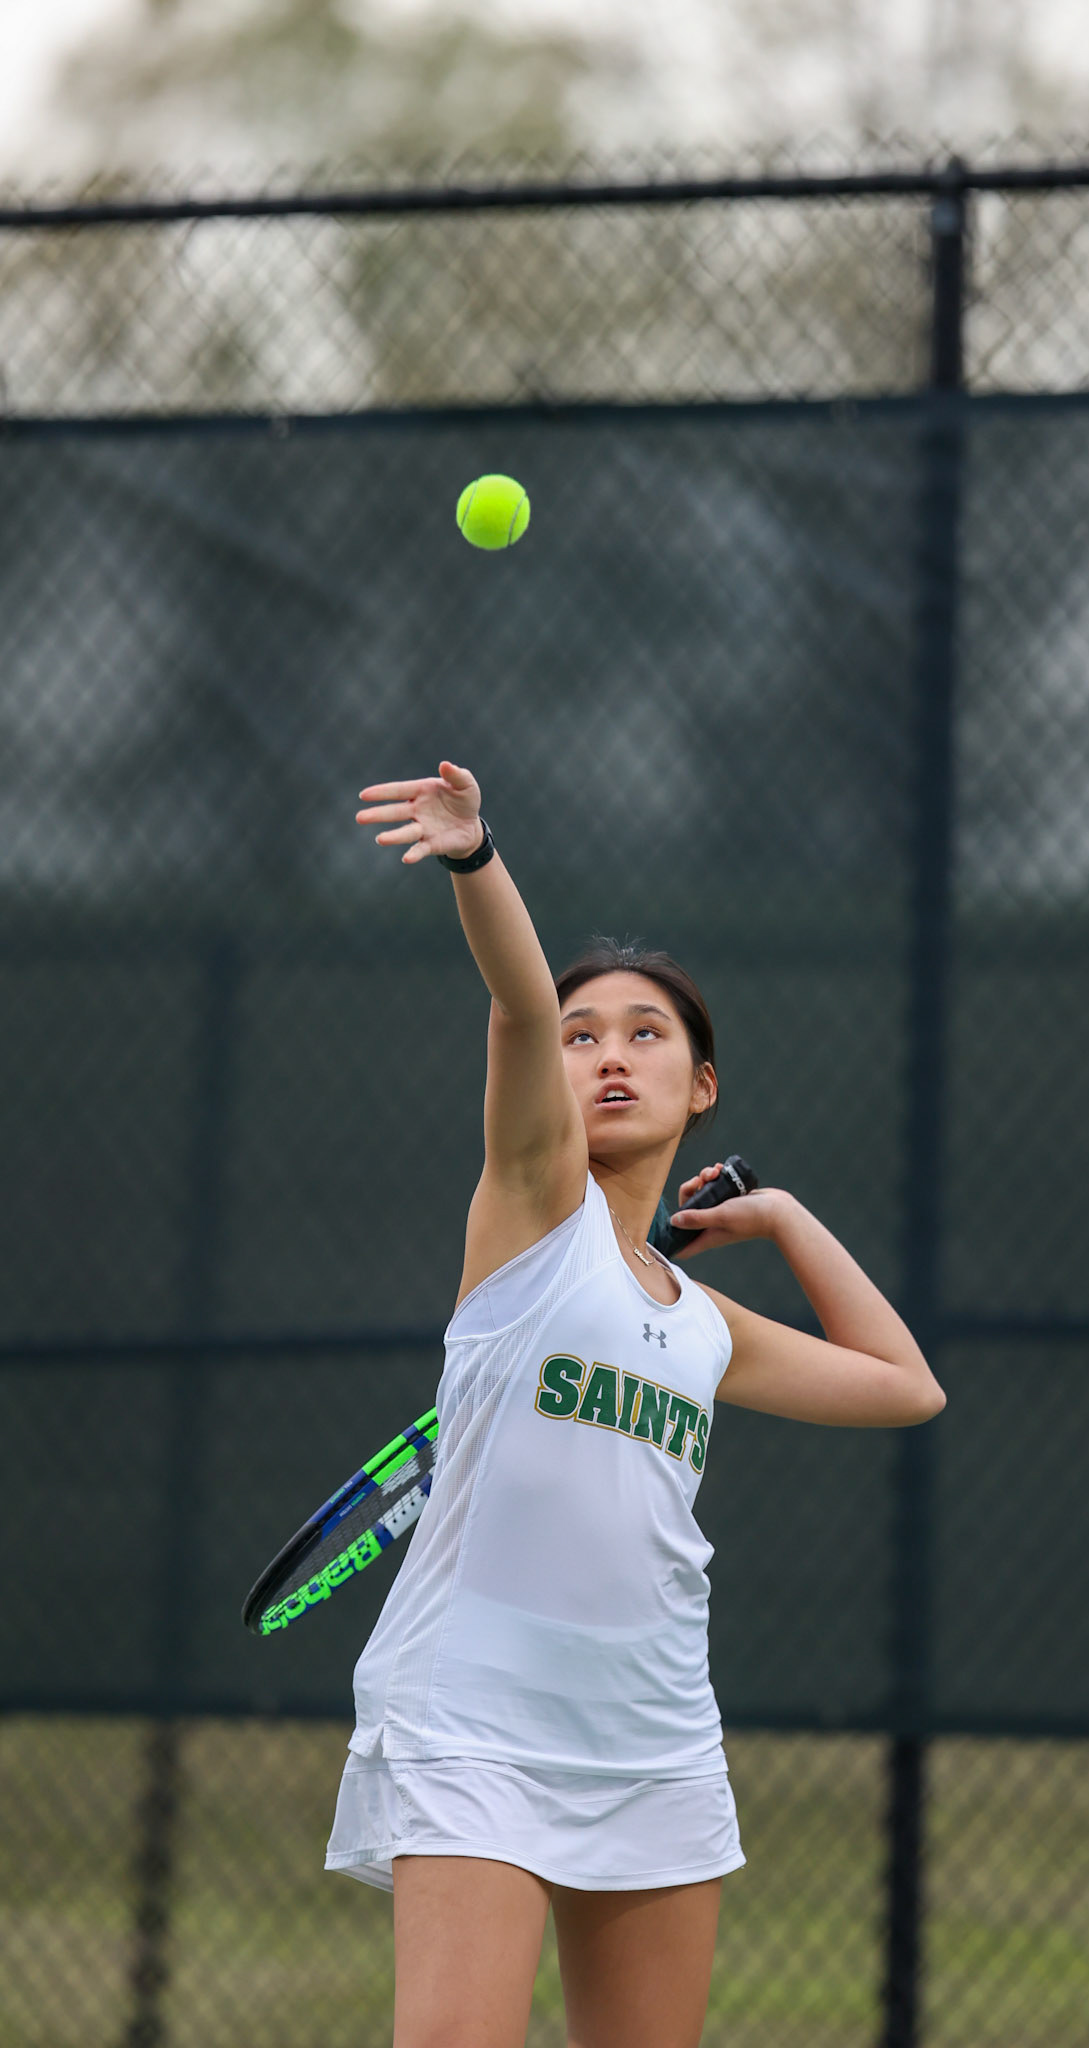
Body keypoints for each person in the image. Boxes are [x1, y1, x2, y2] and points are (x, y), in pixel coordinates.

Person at [325, 758, 946, 2048]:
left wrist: (779, 1219)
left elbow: (905, 1388)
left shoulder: (700, 1322)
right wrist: (474, 856)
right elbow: (510, 1004)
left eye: (645, 1034)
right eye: (584, 1034)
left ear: (701, 1085)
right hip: (475, 1722)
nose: (609, 1055)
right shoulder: (529, 1215)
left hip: (654, 1731)